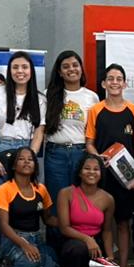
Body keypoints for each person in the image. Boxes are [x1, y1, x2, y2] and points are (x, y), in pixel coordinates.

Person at [0, 51, 45, 267]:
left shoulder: (39, 99)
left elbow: (39, 131)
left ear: (31, 71)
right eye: (16, 67)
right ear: (10, 70)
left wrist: (30, 159)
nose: (20, 71)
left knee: (24, 207)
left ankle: (19, 258)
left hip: (25, 151)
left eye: (25, 67)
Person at [85, 64, 134, 267]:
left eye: (119, 78)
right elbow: (89, 143)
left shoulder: (133, 110)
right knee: (100, 224)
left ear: (125, 83)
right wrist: (99, 158)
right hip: (102, 176)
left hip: (126, 177)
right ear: (104, 83)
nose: (114, 82)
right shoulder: (96, 110)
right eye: (110, 78)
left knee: (123, 223)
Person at [0, 147, 60, 267]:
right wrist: (25, 245)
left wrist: (70, 224)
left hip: (37, 239)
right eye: (21, 159)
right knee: (29, 260)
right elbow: (3, 225)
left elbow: (48, 219)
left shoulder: (41, 189)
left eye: (30, 159)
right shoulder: (4, 189)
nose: (26, 162)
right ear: (13, 165)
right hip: (14, 240)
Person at [56, 154, 117, 267]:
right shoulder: (66, 193)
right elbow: (64, 228)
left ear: (101, 174)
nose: (91, 172)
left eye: (96, 169)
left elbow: (107, 231)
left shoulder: (108, 199)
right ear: (79, 172)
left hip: (97, 246)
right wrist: (87, 239)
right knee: (77, 249)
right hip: (72, 243)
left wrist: (110, 256)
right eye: (87, 168)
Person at [42, 50, 99, 203]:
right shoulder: (48, 95)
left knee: (80, 202)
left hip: (81, 153)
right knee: (56, 201)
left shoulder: (92, 97)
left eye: (75, 65)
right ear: (60, 73)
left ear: (81, 68)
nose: (71, 69)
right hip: (55, 154)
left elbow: (93, 131)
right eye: (66, 67)